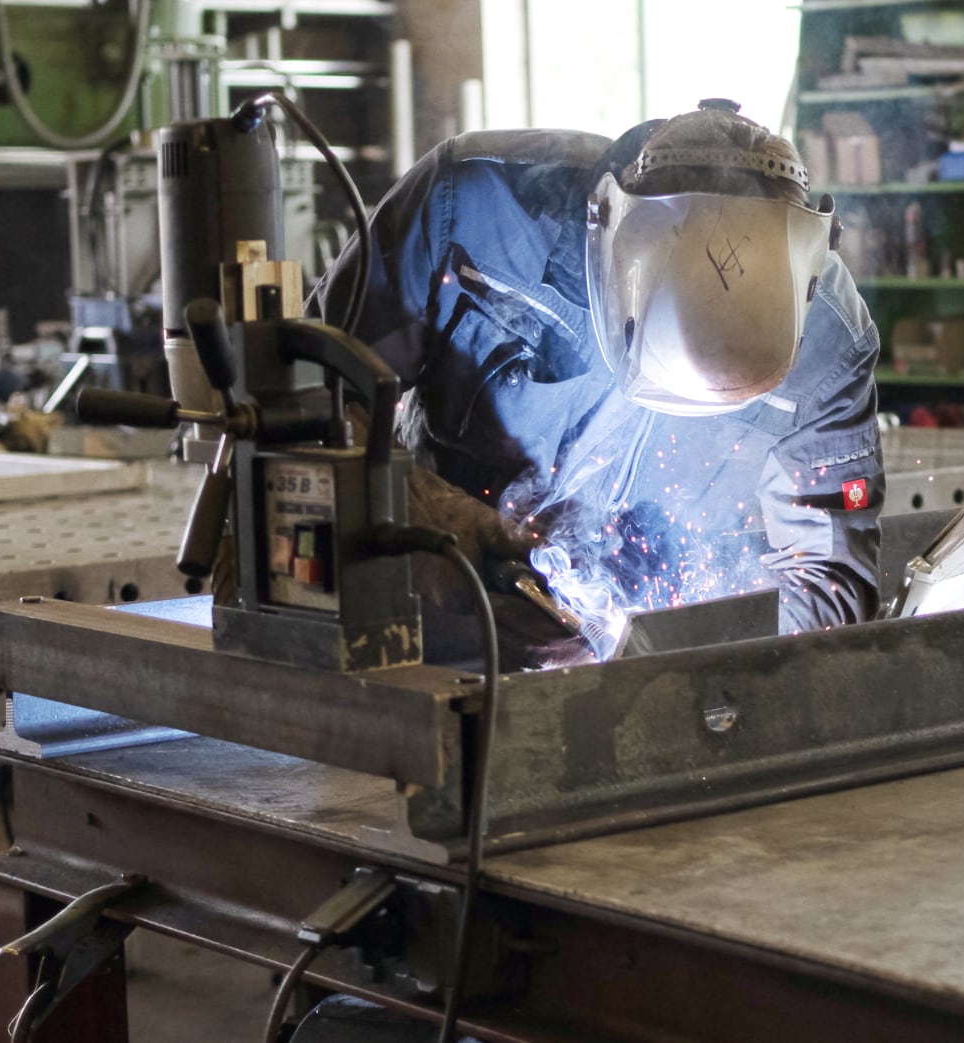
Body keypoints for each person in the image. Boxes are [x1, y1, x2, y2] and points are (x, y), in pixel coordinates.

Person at [316, 99, 882, 661]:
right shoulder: (470, 206)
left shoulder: (831, 341)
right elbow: (314, 392)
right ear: (608, 231)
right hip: (427, 613)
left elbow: (828, 582)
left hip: (638, 660)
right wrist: (430, 514)